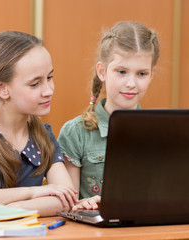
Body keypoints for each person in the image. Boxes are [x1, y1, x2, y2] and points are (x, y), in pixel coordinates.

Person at [0, 31, 78, 216]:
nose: (49, 90)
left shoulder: (44, 135)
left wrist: (13, 209)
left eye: (49, 78)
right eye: (35, 84)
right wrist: (31, 193)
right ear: (1, 88)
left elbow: (66, 198)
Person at [58, 21, 160, 210]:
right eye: (121, 72)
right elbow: (67, 206)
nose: (131, 83)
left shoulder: (160, 131)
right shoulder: (76, 133)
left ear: (151, 75)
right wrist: (79, 203)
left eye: (142, 74)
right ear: (102, 71)